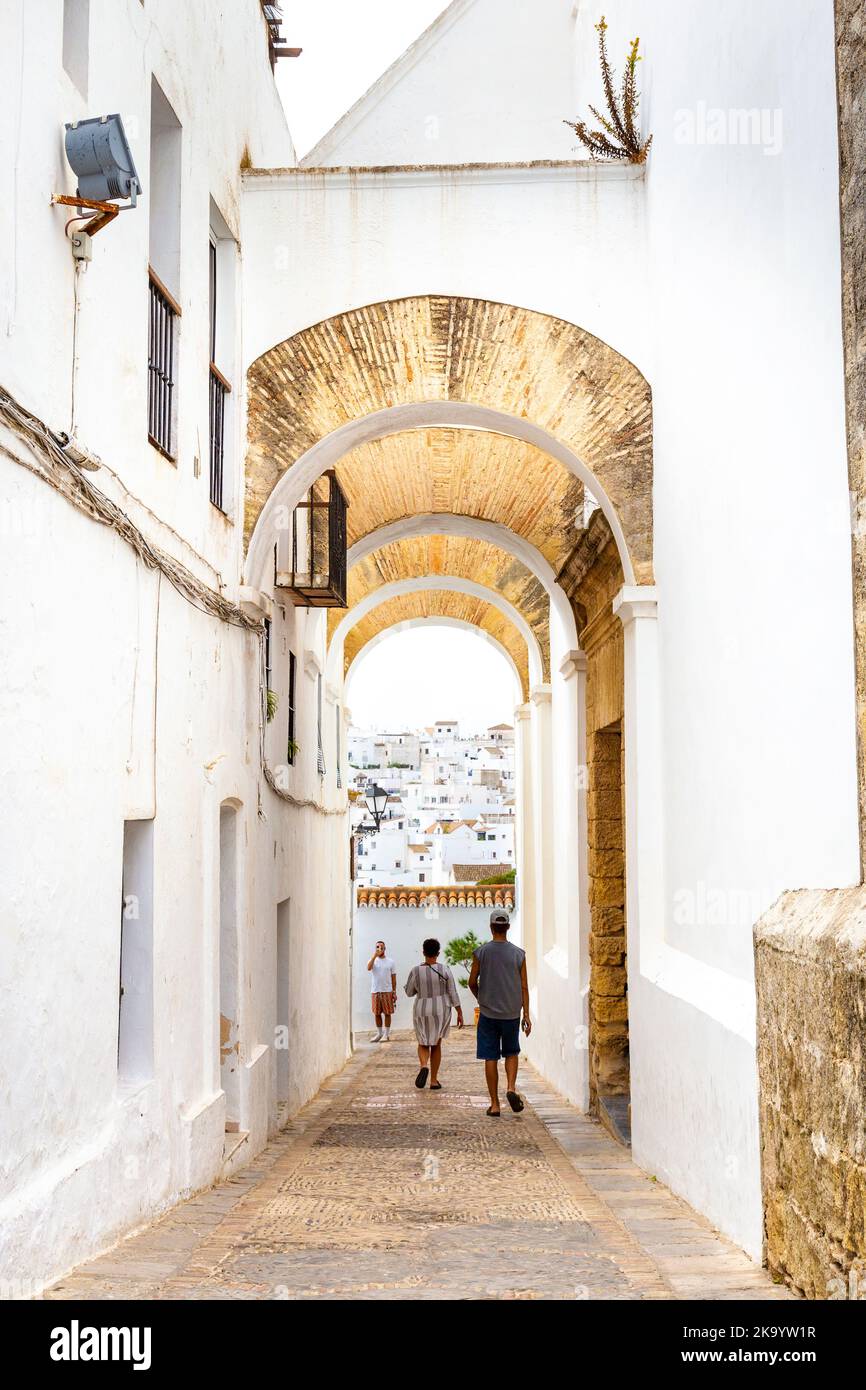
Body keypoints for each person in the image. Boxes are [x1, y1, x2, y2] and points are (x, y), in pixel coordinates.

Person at [468, 909, 531, 1116]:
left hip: (488, 1014)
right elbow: (524, 987)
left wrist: (481, 998)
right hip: (512, 1012)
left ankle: (494, 1104)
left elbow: (472, 981)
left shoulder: (481, 952)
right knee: (512, 1052)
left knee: (490, 1056)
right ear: (508, 928)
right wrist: (527, 1015)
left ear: (491, 927)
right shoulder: (518, 954)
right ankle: (511, 1088)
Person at [404, 937, 463, 1089]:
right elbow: (452, 992)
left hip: (421, 1008)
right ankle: (433, 1081)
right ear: (438, 952)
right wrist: (459, 1011)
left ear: (423, 952)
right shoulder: (445, 970)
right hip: (441, 1009)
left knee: (423, 1041)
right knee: (436, 1044)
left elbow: (409, 992)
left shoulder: (415, 971)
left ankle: (424, 1065)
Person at [366, 939, 396, 1042]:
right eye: (377, 947)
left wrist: (394, 992)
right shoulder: (373, 960)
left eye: (381, 947)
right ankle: (379, 1033)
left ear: (385, 948)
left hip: (387, 991)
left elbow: (393, 978)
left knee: (387, 1013)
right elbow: (368, 968)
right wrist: (374, 956)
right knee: (377, 1013)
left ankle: (386, 1034)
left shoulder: (391, 962)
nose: (380, 948)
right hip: (375, 991)